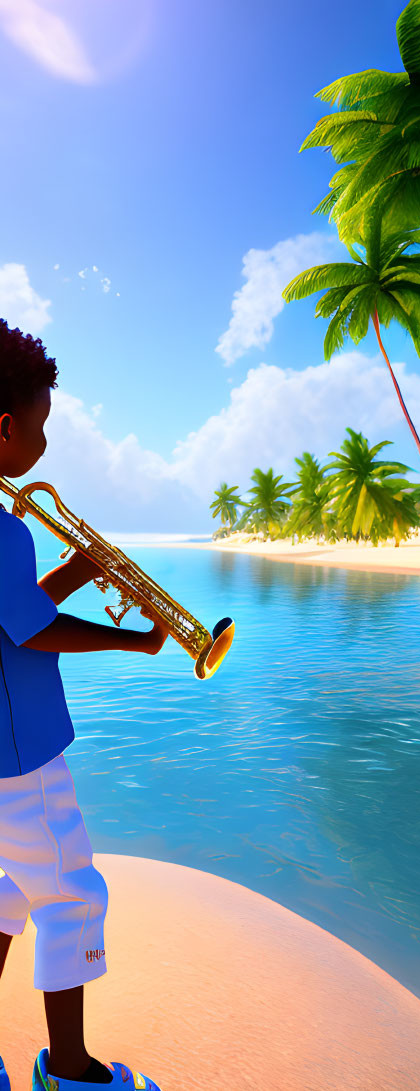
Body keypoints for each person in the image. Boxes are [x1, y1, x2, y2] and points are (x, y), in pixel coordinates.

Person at [0, 318, 164, 1091]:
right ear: (5, 427)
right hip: (22, 754)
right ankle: (70, 1071)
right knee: (70, 895)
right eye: (38, 430)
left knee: (2, 896)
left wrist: (73, 569)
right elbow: (31, 633)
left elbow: (12, 611)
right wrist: (135, 641)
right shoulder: (1, 531)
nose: (42, 448)